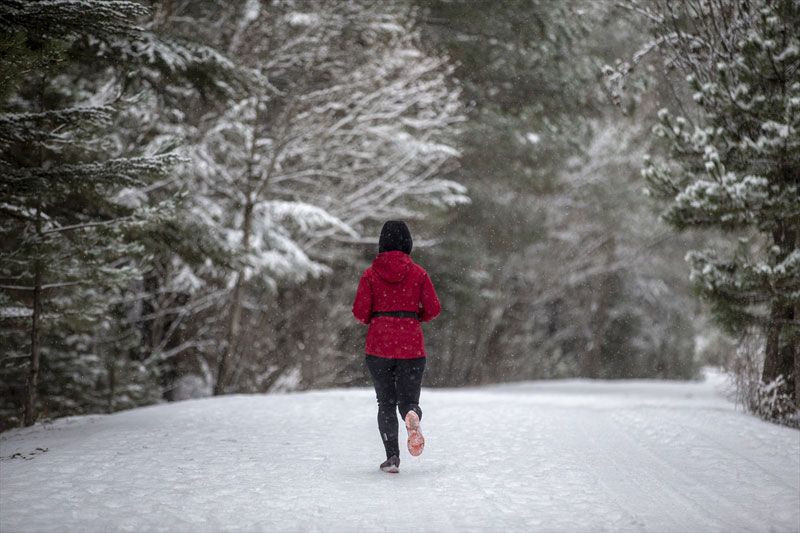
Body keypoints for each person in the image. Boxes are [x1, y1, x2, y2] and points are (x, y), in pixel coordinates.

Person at [352, 220, 441, 473]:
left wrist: (378, 317)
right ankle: (412, 414)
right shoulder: (419, 273)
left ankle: (392, 458)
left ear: (382, 243)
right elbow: (433, 308)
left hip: (379, 347)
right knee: (408, 399)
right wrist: (414, 317)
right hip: (411, 346)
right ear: (408, 243)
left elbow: (360, 313)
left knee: (386, 403)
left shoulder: (370, 274)